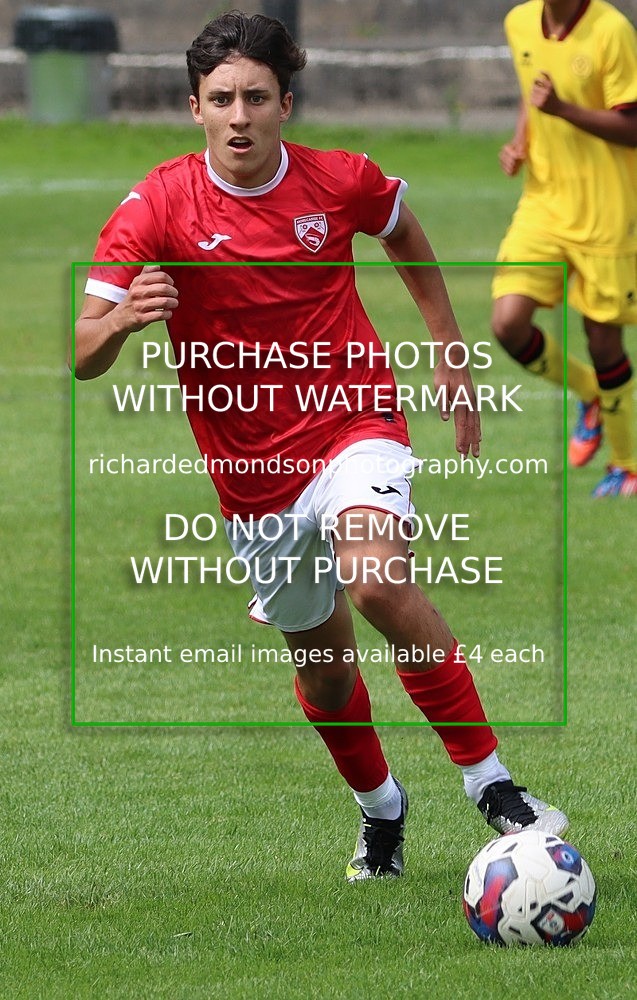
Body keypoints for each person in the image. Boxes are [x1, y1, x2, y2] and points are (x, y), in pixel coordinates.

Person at [74, 11, 567, 881]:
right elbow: (82, 350)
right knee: (327, 675)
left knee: (376, 579)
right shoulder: (157, 204)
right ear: (194, 109)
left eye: (255, 97)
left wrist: (447, 348)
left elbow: (400, 226)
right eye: (220, 99)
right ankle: (381, 811)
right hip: (254, 477)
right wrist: (120, 320)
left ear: (285, 105)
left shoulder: (338, 180)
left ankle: (492, 784)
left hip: (352, 423)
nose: (238, 116)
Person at [492, 0, 637, 497]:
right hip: (544, 204)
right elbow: (530, 92)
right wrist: (521, 141)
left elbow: (633, 127)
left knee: (603, 340)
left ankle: (626, 466)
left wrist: (563, 110)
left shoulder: (611, 31)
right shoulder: (519, 22)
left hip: (609, 210)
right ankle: (589, 392)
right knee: (508, 324)